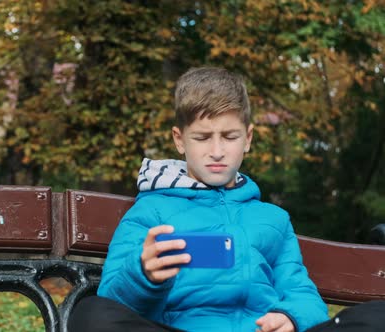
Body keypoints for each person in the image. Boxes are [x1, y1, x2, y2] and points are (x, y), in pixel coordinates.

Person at [68, 67, 330, 332]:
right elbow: (113, 299)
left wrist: (291, 317)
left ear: (248, 139)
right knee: (92, 312)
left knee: (374, 314)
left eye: (230, 137)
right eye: (202, 138)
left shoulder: (274, 220)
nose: (217, 152)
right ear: (180, 140)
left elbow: (303, 295)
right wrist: (143, 274)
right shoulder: (151, 211)